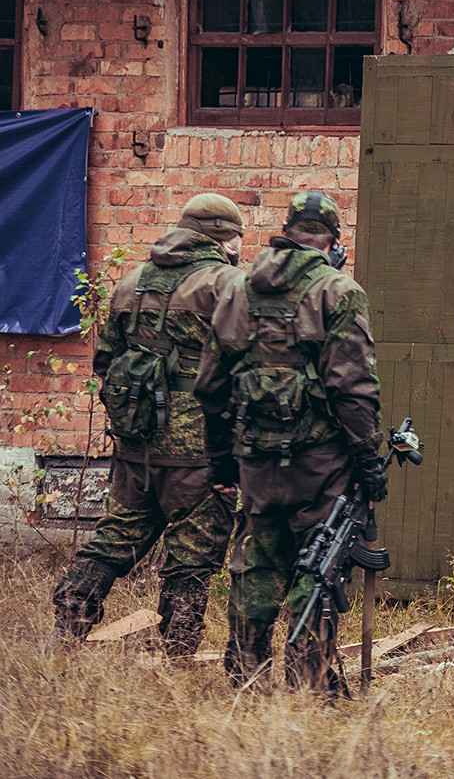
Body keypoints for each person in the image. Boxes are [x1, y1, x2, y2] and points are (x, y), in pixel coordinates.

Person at [195, 191, 383, 688]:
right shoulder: (338, 291)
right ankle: (309, 681)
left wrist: (221, 462)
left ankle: (245, 677)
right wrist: (368, 460)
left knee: (256, 564)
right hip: (320, 464)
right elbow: (353, 389)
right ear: (334, 241)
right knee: (319, 563)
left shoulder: (239, 289)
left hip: (255, 460)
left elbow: (210, 385)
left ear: (285, 233)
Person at [52, 193, 244, 656]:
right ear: (222, 235)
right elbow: (247, 366)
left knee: (114, 540)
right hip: (200, 451)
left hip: (136, 444)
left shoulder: (131, 283)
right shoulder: (228, 284)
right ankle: (178, 656)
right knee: (192, 557)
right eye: (238, 236)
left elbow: (105, 362)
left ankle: (67, 628)